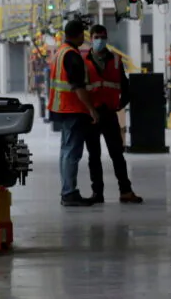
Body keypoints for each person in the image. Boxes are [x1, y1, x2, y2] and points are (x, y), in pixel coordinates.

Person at [83, 25, 144, 205]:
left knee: (117, 153)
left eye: (102, 37)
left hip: (109, 112)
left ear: (106, 38)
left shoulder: (116, 60)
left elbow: (125, 86)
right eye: (96, 37)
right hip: (91, 114)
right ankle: (97, 193)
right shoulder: (83, 60)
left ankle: (125, 191)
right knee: (94, 156)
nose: (100, 40)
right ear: (91, 38)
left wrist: (121, 103)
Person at [48, 19, 99, 207]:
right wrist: (91, 109)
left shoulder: (61, 52)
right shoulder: (72, 55)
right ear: (78, 35)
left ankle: (67, 191)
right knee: (72, 153)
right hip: (73, 109)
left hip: (62, 108)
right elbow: (78, 87)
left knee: (66, 151)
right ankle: (69, 193)